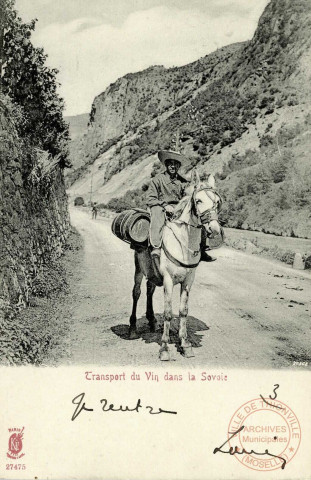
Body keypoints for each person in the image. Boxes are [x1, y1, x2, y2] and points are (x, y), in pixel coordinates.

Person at [146, 150, 215, 262]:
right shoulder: (158, 179)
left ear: (179, 166)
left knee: (197, 218)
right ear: (166, 164)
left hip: (178, 208)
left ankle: (202, 248)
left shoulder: (183, 182)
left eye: (176, 164)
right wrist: (164, 205)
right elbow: (150, 198)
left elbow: (187, 196)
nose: (173, 166)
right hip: (160, 206)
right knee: (157, 214)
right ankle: (156, 246)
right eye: (170, 163)